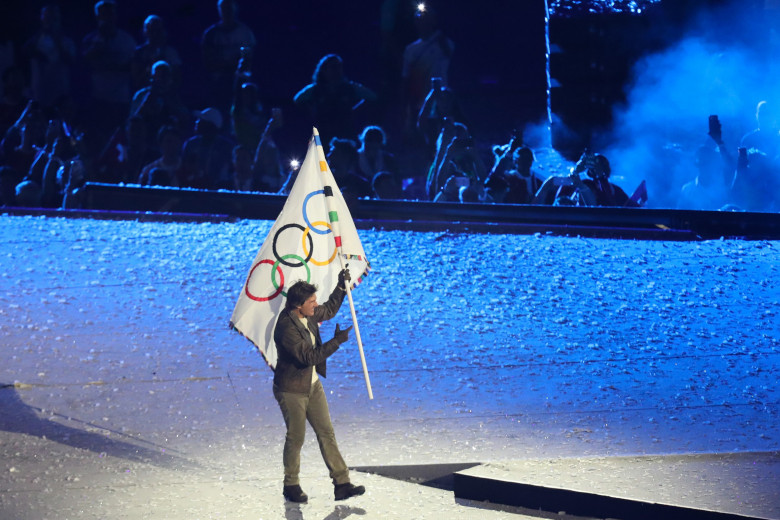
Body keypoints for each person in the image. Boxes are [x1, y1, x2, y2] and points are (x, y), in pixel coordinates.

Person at [272, 269, 366, 503]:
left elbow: (330, 309)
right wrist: (336, 342)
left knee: (326, 432)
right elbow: (308, 358)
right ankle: (290, 485)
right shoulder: (287, 327)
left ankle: (342, 483)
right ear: (298, 305)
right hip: (292, 389)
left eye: (315, 300)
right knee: (296, 437)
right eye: (311, 301)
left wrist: (341, 286)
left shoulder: (310, 313)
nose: (316, 305)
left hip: (311, 385)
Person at [293, 54, 377, 146]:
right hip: (323, 132)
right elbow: (297, 100)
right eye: (333, 67)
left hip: (345, 132)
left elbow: (372, 97)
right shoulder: (315, 89)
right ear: (324, 70)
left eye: (339, 67)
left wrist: (355, 111)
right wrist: (312, 111)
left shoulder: (350, 88)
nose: (336, 71)